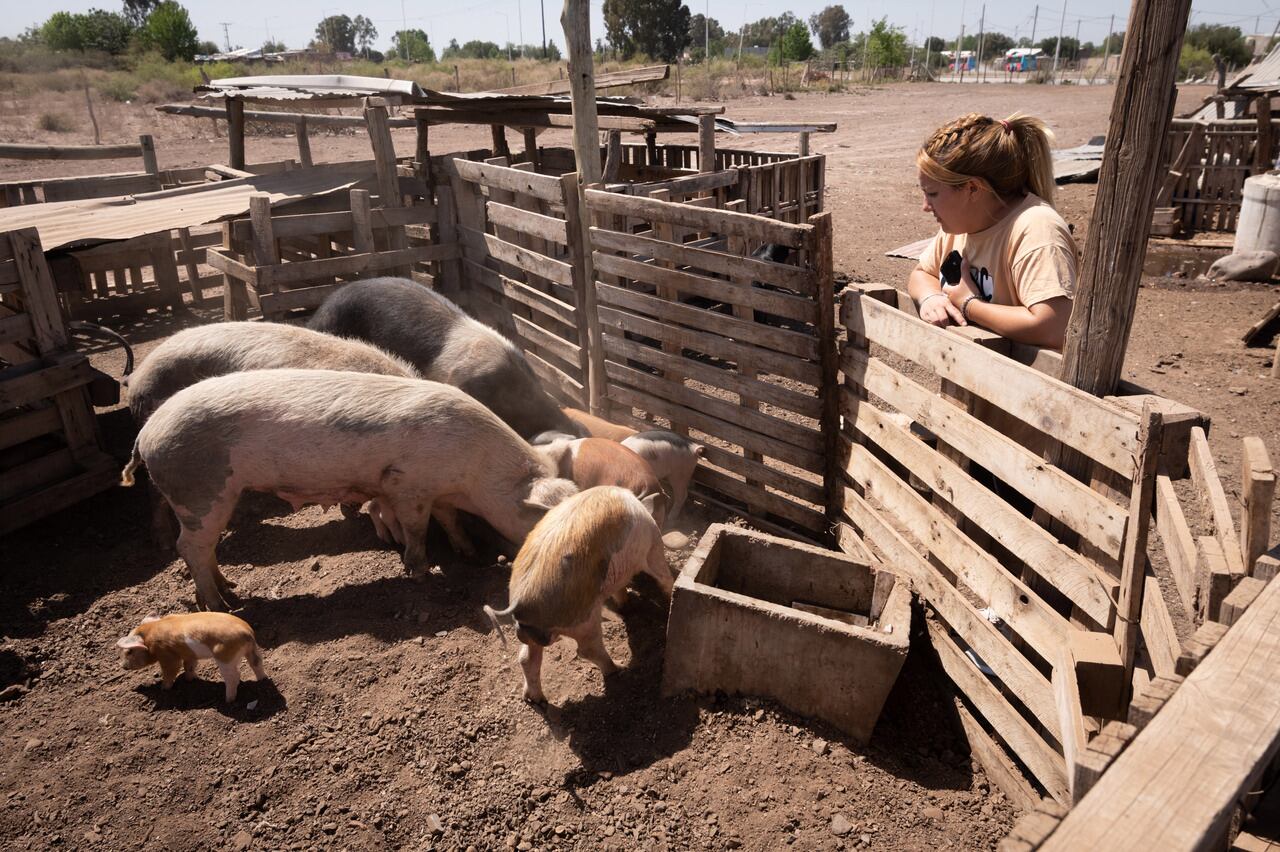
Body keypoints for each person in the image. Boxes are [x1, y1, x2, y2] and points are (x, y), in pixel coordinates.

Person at [907, 113, 1077, 349]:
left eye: (933, 194)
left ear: (973, 189)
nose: (925, 207)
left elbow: (1054, 327)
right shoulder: (960, 224)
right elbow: (921, 273)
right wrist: (930, 297)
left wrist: (969, 304)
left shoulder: (1036, 229)